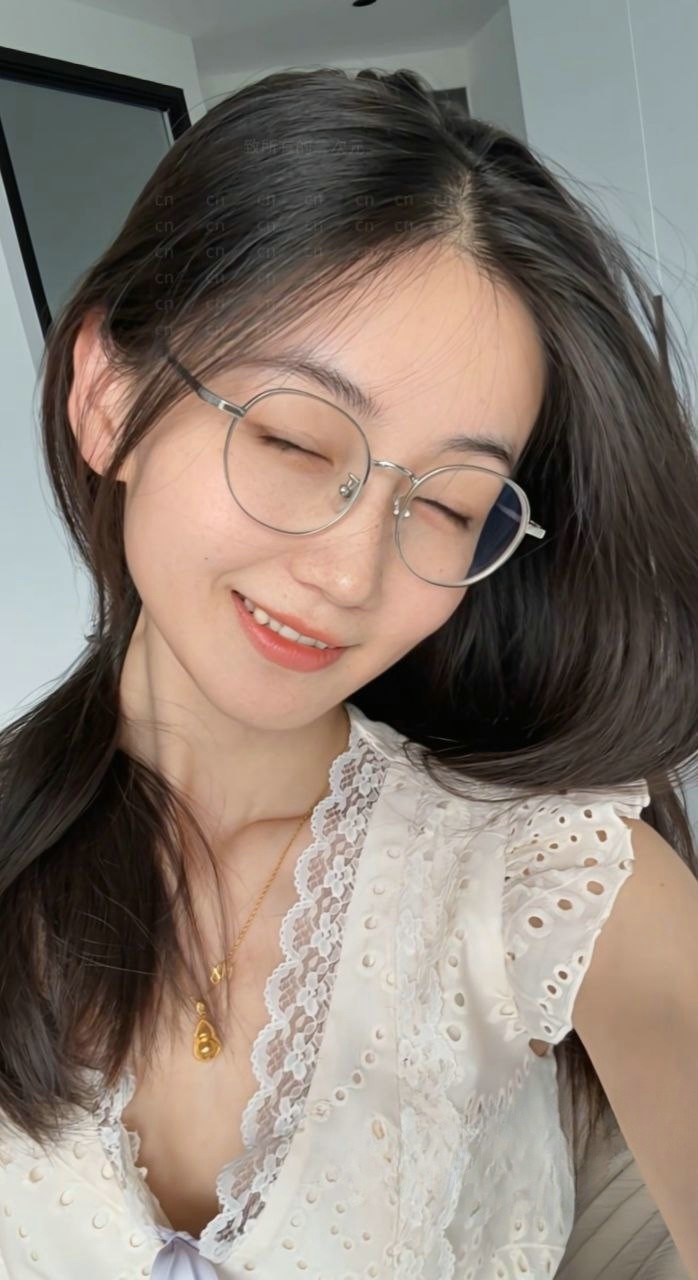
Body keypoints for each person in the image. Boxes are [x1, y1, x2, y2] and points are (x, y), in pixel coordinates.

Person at [1, 65, 697, 1280]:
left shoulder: (556, 876)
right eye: (290, 438)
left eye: (451, 505)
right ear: (107, 396)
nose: (347, 571)